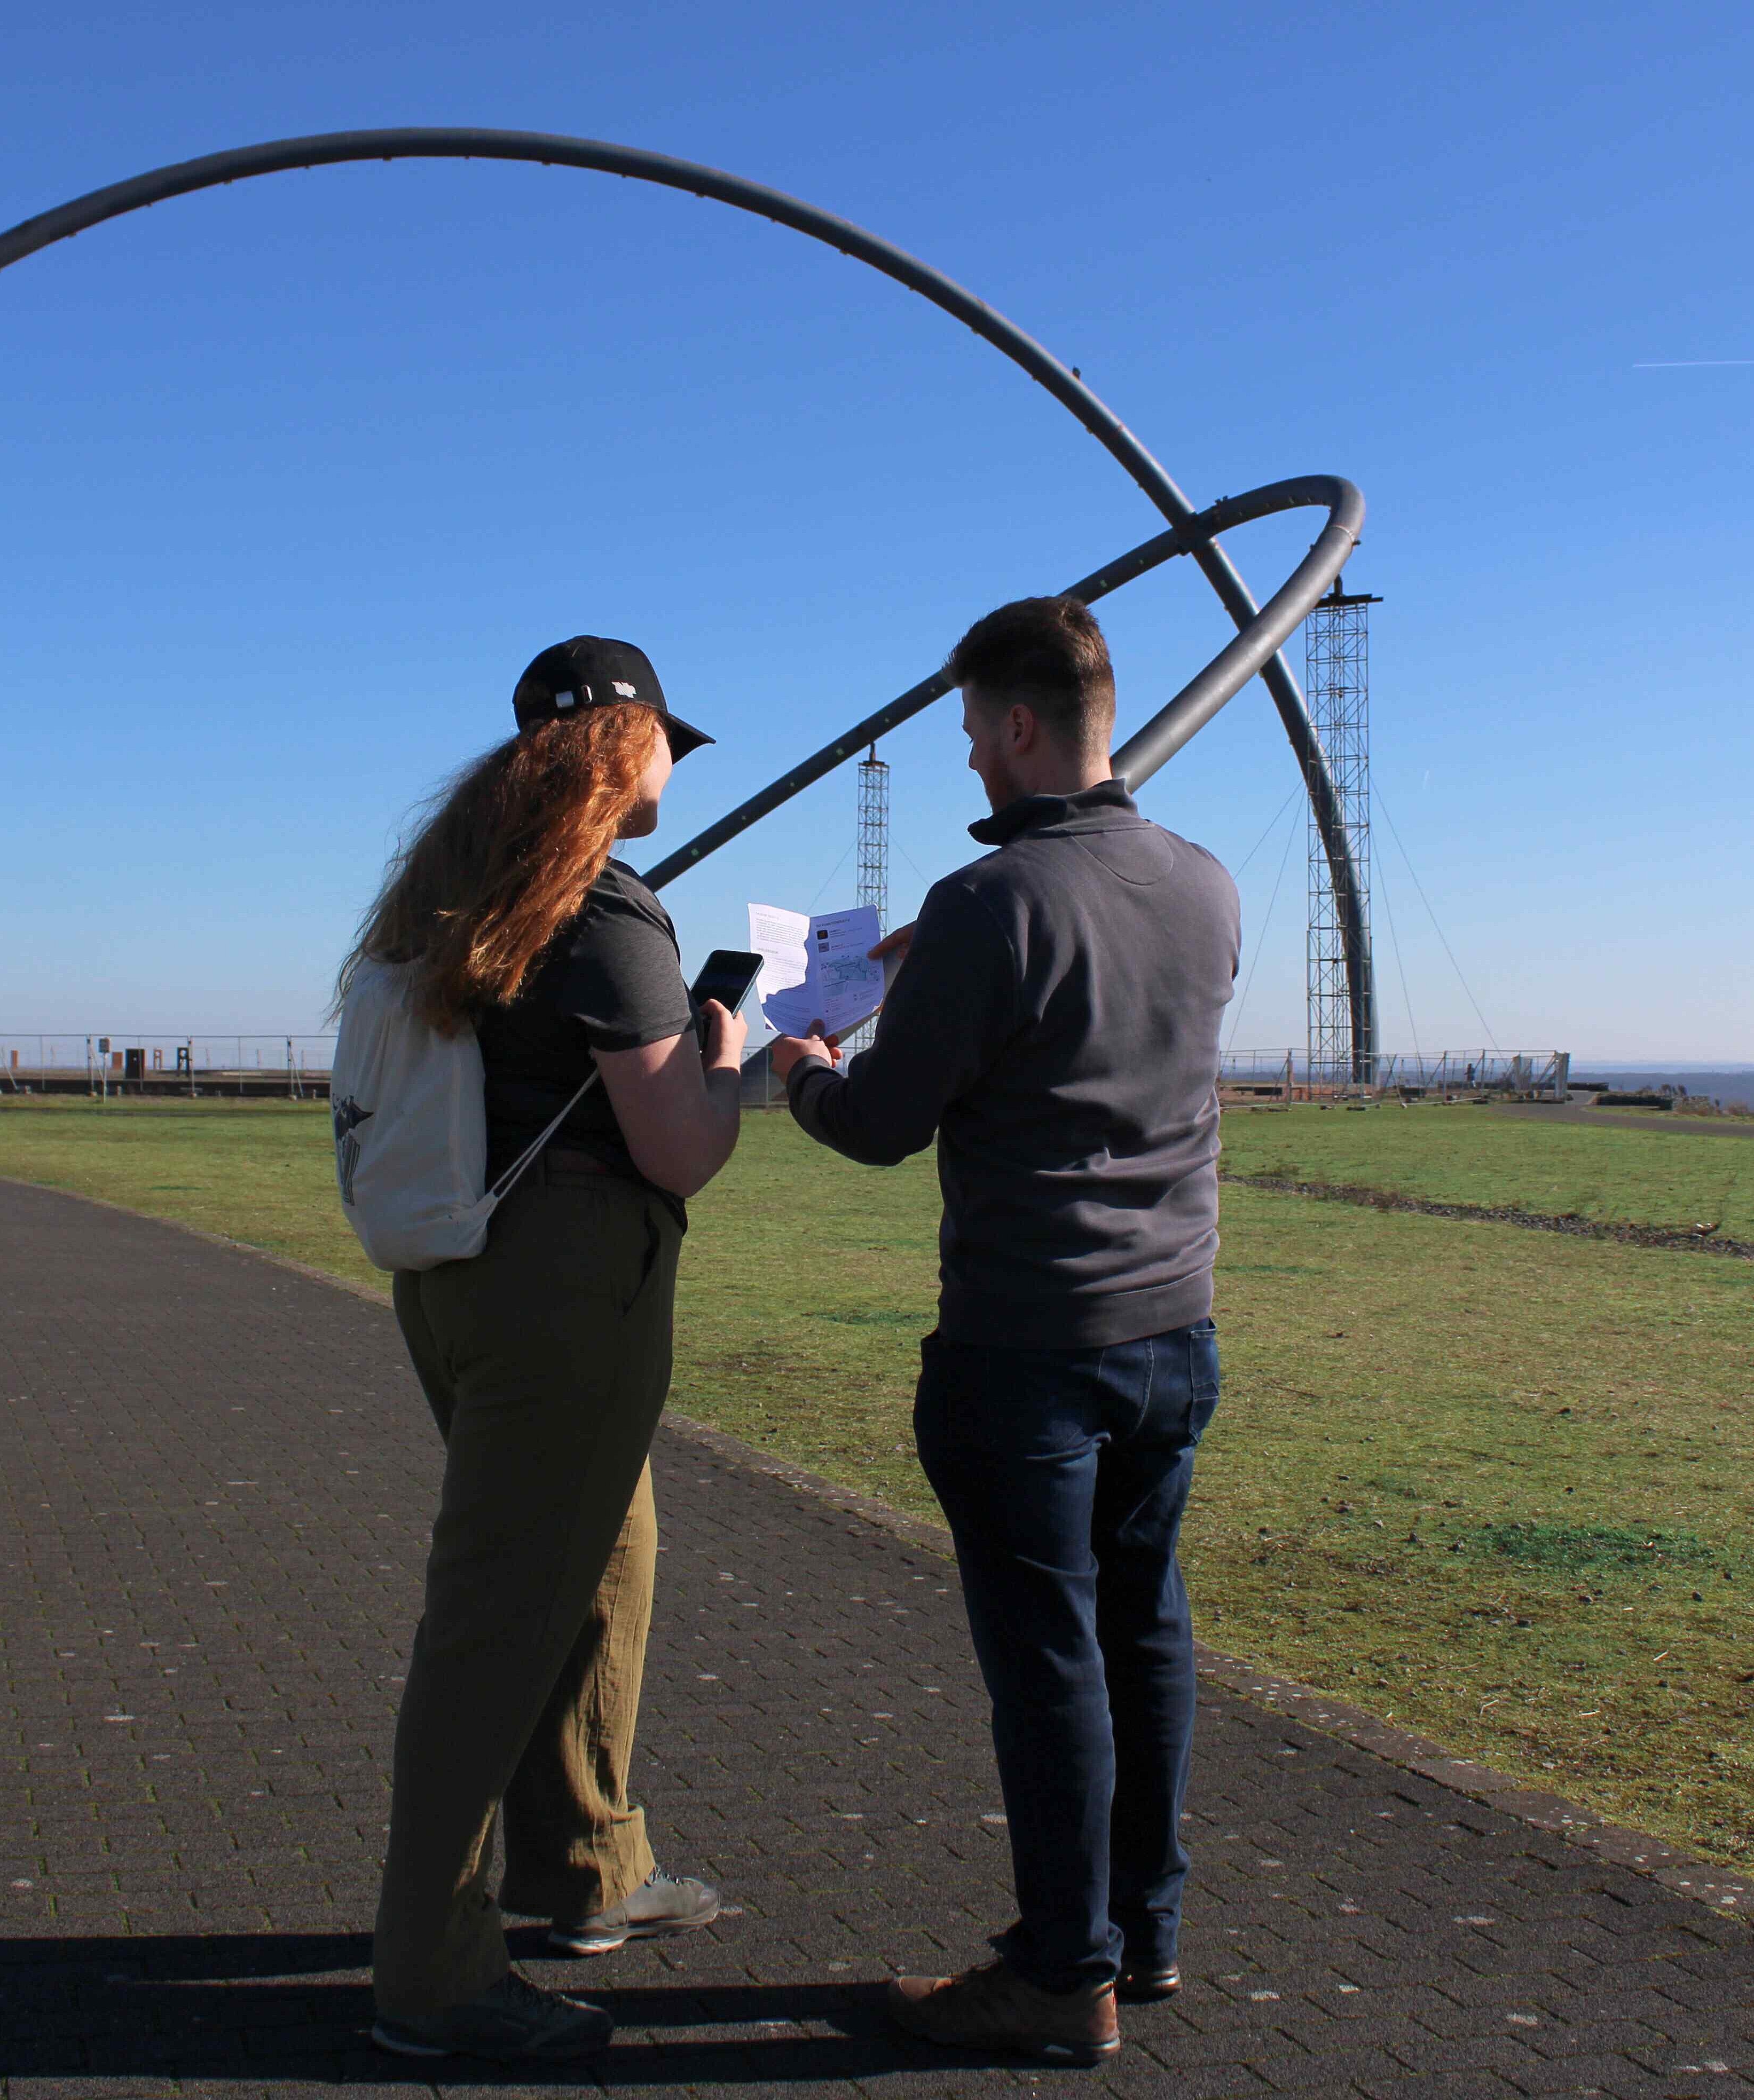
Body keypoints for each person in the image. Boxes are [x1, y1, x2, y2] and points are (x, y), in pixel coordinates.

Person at [769, 596, 1239, 2065]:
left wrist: (799, 1067)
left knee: (1049, 1662)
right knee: (1143, 1628)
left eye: (974, 734)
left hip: (1028, 1343)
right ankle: (1140, 1937)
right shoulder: (1205, 882)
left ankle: (1058, 1974)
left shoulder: (990, 907)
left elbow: (881, 1125)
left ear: (1020, 725)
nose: (970, 761)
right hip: (1174, 1330)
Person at [348, 636, 747, 2063]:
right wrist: (731, 1052)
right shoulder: (608, 916)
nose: (671, 771)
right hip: (564, 1302)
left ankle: (588, 1866)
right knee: (498, 1618)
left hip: (453, 1284)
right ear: (620, 743)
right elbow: (679, 1149)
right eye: (663, 743)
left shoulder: (454, 891)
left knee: (607, 1553)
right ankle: (434, 1975)